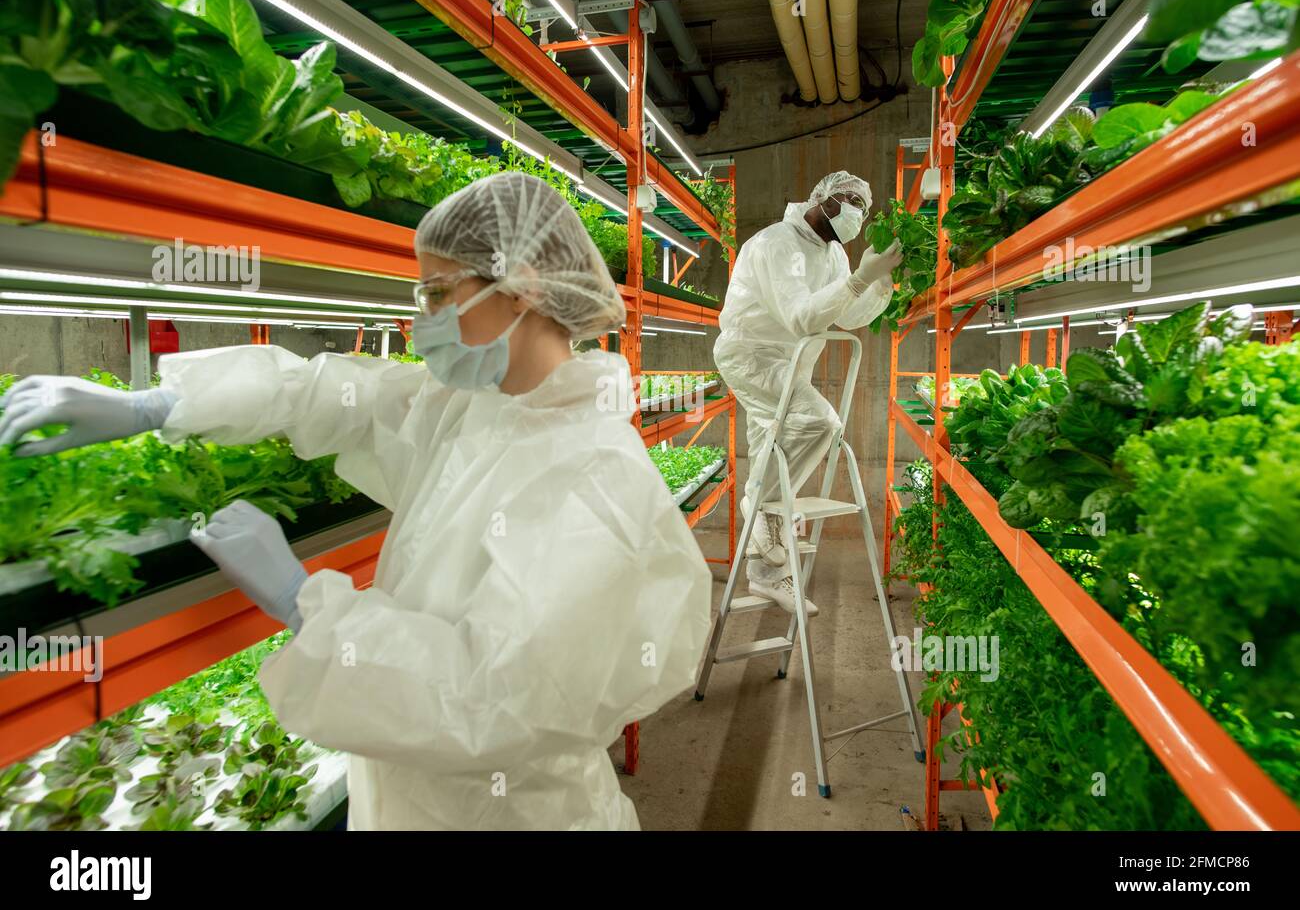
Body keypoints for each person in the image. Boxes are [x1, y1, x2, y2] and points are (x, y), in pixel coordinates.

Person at [0, 171, 712, 830]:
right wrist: (157, 405)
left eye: (436, 293)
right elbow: (336, 396)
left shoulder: (591, 480)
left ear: (519, 286)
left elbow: (491, 704)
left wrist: (305, 604)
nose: (420, 319)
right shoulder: (478, 409)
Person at [713, 170, 901, 615]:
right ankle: (759, 506)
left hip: (794, 365)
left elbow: (849, 315)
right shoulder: (776, 243)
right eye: (850, 201)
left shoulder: (833, 252)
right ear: (823, 199)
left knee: (770, 450)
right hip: (753, 358)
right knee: (820, 422)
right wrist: (856, 280)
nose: (858, 212)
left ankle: (766, 578)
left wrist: (877, 283)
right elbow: (800, 316)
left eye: (863, 205)